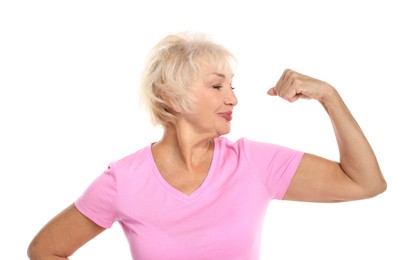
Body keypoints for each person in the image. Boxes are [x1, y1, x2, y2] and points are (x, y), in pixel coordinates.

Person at [27, 32, 387, 260]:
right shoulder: (125, 180)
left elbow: (365, 183)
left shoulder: (253, 163)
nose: (232, 99)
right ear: (170, 95)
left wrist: (329, 96)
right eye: (217, 86)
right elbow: (45, 251)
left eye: (233, 86)